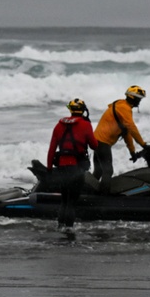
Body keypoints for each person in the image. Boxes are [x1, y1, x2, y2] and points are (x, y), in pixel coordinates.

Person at [46, 98, 98, 231]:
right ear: (83, 110)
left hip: (62, 167)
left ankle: (60, 226)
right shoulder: (86, 125)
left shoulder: (59, 125)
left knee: (64, 199)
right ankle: (69, 230)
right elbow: (94, 145)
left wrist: (49, 168)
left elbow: (52, 149)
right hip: (76, 168)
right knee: (71, 201)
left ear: (70, 109)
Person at [92, 85, 150, 194]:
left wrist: (132, 152)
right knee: (108, 171)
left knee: (99, 171)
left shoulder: (123, 106)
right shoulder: (124, 108)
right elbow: (132, 128)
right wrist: (144, 145)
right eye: (138, 99)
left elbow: (126, 133)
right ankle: (102, 198)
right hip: (102, 143)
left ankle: (89, 192)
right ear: (132, 97)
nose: (139, 101)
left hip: (97, 141)